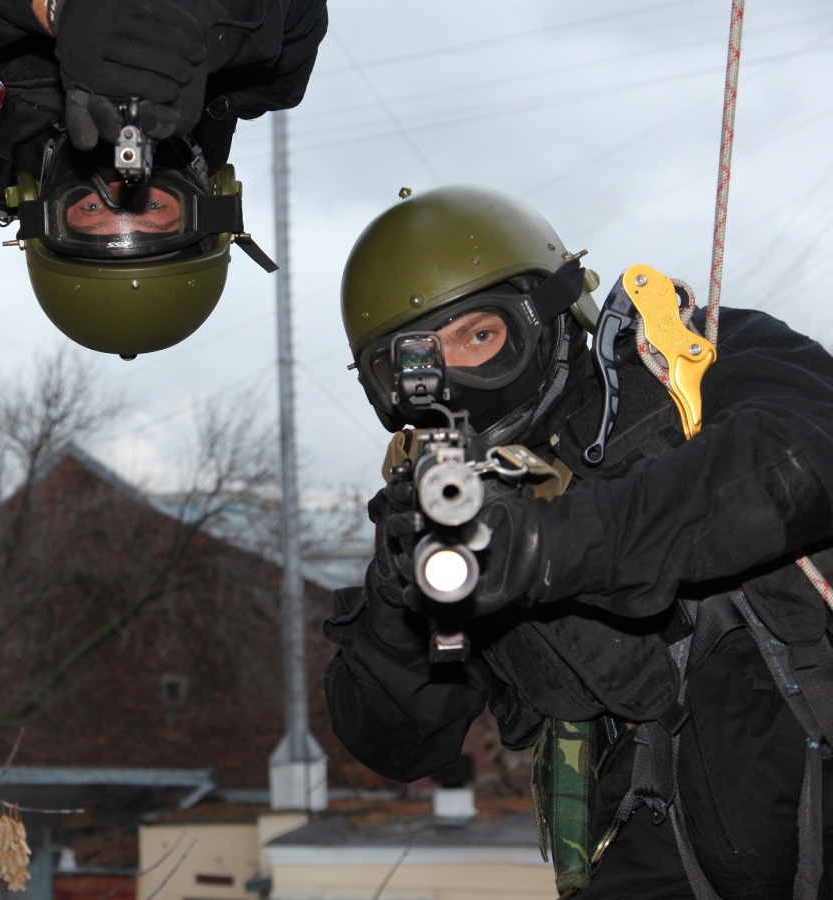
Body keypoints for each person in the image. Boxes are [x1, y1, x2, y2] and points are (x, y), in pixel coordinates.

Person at [323, 183, 833, 899]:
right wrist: (400, 598)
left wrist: (541, 546)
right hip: (649, 841)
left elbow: (800, 462)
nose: (452, 379)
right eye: (415, 363)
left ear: (549, 312)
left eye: (479, 336)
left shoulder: (688, 361)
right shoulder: (435, 513)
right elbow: (397, 743)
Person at [0, 0, 327, 357]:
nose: (120, 186)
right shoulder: (269, 70)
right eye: (153, 207)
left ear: (41, 203)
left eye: (93, 209)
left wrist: (57, 10)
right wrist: (198, 20)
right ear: (208, 192)